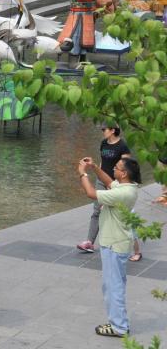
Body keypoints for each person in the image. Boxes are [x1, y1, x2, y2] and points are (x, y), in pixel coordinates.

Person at [76, 156, 141, 338]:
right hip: (116, 243)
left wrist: (82, 173)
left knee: (113, 287)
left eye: (117, 167)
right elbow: (110, 183)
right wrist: (95, 167)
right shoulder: (127, 187)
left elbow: (91, 193)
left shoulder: (123, 193)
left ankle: (119, 327)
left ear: (124, 173)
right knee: (113, 285)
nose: (114, 169)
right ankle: (117, 322)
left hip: (114, 245)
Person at [77, 125, 131, 254]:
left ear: (113, 130)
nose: (102, 132)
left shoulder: (122, 146)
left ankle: (124, 243)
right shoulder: (103, 143)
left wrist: (115, 184)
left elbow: (127, 168)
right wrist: (98, 173)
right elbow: (102, 161)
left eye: (104, 129)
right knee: (97, 210)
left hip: (115, 183)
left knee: (116, 212)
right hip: (101, 180)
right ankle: (89, 242)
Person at [57, 0, 115, 66]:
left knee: (85, 40)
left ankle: (83, 61)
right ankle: (73, 62)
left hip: (87, 15)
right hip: (78, 16)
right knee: (75, 38)